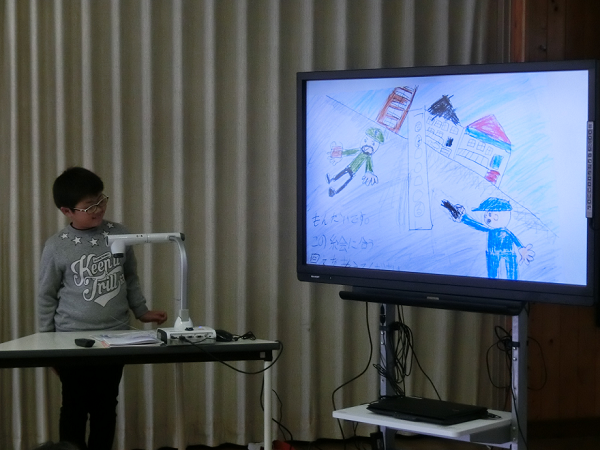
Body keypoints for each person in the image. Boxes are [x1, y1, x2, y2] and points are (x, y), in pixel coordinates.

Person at [38, 167, 168, 450]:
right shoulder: (56, 246)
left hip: (115, 337)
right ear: (67, 211)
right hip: (70, 340)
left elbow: (130, 277)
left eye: (101, 200)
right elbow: (46, 296)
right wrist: (47, 344)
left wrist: (141, 311)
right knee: (74, 405)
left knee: (106, 405)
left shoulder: (119, 234)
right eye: (89, 206)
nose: (98, 209)